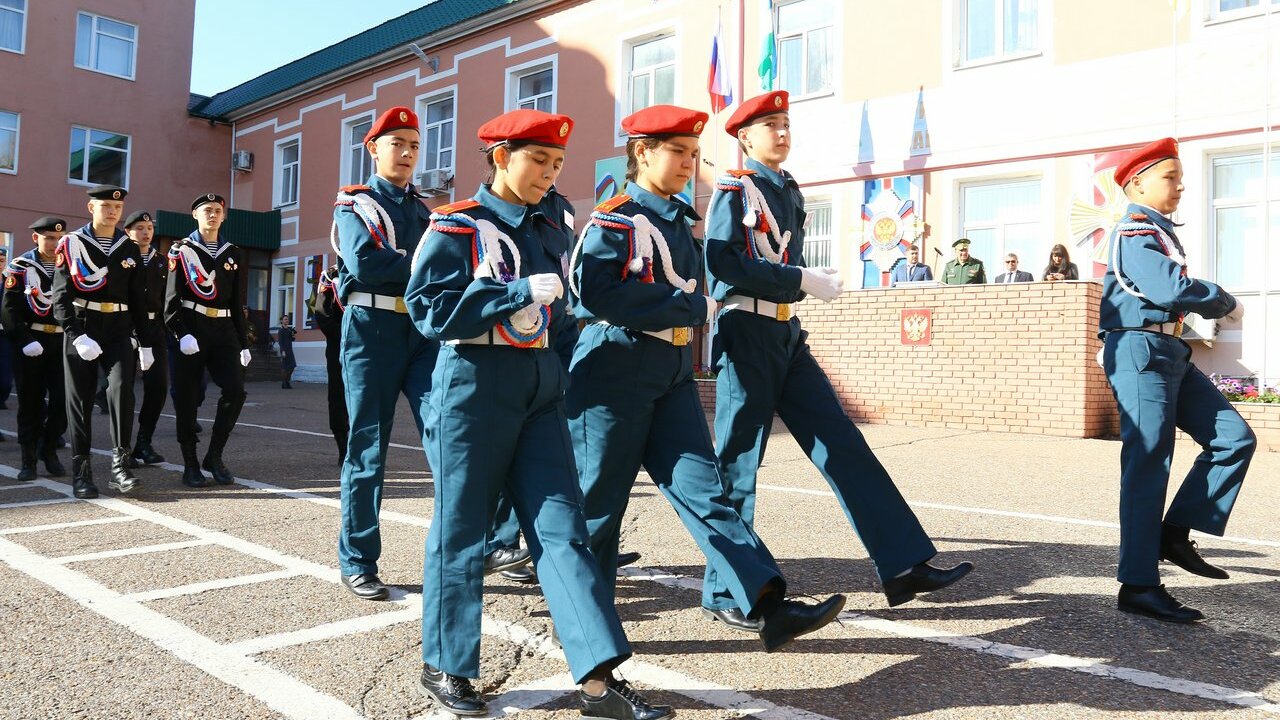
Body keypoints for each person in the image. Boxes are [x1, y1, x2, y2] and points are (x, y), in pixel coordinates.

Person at [406, 109, 672, 720]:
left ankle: (599, 682)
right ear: (500, 158)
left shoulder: (549, 227)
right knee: (462, 530)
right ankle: (447, 663)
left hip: (540, 387)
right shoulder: (456, 225)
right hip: (473, 385)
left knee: (562, 531)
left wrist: (572, 372)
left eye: (557, 164)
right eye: (539, 161)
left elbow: (565, 314)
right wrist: (514, 293)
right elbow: (429, 310)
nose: (550, 175)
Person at [569, 103, 845, 645]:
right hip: (614, 370)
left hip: (671, 371)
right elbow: (593, 293)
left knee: (707, 493)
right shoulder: (616, 218)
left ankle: (767, 605)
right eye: (677, 152)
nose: (688, 163)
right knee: (599, 504)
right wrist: (689, 307)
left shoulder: (679, 221)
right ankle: (587, 625)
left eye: (694, 154)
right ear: (642, 153)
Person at [704, 91, 974, 616]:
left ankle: (902, 564)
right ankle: (725, 591)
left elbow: (785, 259)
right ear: (745, 138)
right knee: (738, 462)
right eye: (770, 125)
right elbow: (723, 264)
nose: (782, 132)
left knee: (842, 442)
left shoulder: (788, 190)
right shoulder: (734, 190)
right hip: (746, 330)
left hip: (785, 331)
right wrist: (797, 277)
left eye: (786, 123)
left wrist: (802, 282)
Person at [1099, 137, 1254, 623]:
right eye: (1171, 177)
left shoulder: (1159, 230)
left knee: (1233, 438)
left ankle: (1172, 533)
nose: (1181, 186)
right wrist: (1223, 300)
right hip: (1139, 349)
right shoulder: (1134, 230)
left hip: (1169, 350)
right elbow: (1169, 288)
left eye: (1181, 178)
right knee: (1148, 462)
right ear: (1136, 184)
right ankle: (1138, 584)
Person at [332, 106, 438, 602]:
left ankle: (480, 545)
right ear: (374, 149)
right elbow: (366, 263)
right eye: (398, 143)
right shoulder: (355, 204)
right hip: (371, 331)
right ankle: (358, 560)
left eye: (414, 145)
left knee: (450, 434)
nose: (408, 153)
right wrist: (425, 265)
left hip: (421, 331)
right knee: (368, 446)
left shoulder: (424, 211)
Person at [51, 185, 154, 498]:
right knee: (80, 400)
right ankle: (81, 473)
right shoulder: (72, 243)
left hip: (119, 328)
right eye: (106, 206)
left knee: (122, 391)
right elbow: (60, 296)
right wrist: (76, 335)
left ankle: (120, 467)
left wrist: (146, 342)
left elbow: (138, 299)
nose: (112, 212)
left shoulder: (128, 247)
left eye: (117, 207)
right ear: (91, 208)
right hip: (83, 326)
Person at [165, 193, 251, 489]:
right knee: (187, 397)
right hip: (192, 327)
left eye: (217, 210)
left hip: (224, 329)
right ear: (195, 215)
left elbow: (237, 301)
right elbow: (170, 300)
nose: (213, 215)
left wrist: (244, 342)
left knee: (235, 391)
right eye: (207, 210)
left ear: (223, 216)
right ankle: (190, 463)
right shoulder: (182, 250)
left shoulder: (233, 252)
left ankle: (214, 456)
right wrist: (181, 333)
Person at [1, 216, 68, 479]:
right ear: (35, 238)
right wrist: (24, 340)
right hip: (32, 342)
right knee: (31, 403)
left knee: (63, 402)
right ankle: (28, 459)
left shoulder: (71, 265)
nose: (54, 243)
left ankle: (48, 448)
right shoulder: (20, 267)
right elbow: (8, 310)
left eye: (59, 239)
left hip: (62, 342)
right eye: (49, 238)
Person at [124, 210, 168, 466]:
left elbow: (166, 298)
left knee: (158, 386)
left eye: (149, 228)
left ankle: (144, 442)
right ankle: (123, 448)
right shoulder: (121, 257)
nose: (146, 232)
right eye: (140, 228)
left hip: (154, 328)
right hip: (126, 327)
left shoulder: (161, 261)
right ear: (128, 231)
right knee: (124, 390)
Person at [310, 263, 348, 464]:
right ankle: (343, 446)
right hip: (339, 346)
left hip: (368, 344)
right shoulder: (331, 276)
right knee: (338, 396)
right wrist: (345, 336)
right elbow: (322, 313)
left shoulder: (369, 268)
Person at [276, 314, 296, 389]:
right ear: (282, 321)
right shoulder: (281, 330)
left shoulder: (289, 329)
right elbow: (280, 342)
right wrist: (283, 351)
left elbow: (292, 339)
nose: (287, 320)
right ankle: (285, 383)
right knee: (285, 367)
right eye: (285, 319)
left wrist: (293, 335)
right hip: (284, 350)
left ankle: (286, 381)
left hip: (290, 350)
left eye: (287, 319)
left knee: (292, 366)